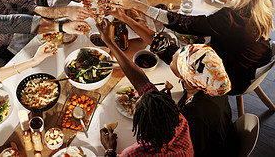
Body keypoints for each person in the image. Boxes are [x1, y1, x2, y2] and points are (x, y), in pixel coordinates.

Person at [108, 0, 274, 95]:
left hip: (231, 78)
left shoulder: (229, 19)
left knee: (170, 51)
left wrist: (138, 5)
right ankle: (124, 18)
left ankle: (123, 20)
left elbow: (185, 24)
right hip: (252, 63)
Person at [97, 18, 233, 156]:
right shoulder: (208, 84)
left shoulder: (194, 117)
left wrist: (109, 151)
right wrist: (112, 37)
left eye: (175, 60)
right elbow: (144, 82)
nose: (174, 54)